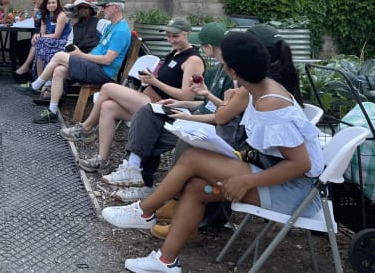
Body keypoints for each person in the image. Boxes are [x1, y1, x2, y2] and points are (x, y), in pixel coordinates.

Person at [102, 31, 322, 273]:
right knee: (197, 188)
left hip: (295, 191)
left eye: (224, 62)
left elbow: (301, 164)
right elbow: (224, 116)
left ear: (234, 72)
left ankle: (144, 211)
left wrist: (247, 180)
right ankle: (166, 261)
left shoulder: (270, 102)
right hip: (271, 172)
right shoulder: (255, 88)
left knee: (193, 158)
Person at [104, 22, 232, 204]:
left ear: (209, 47)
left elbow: (224, 113)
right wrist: (180, 103)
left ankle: (140, 178)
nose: (171, 39)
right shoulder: (216, 69)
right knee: (147, 117)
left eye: (203, 45)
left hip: (206, 127)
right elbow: (205, 102)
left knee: (147, 120)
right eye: (169, 35)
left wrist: (187, 114)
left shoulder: (221, 70)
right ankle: (137, 175)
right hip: (195, 117)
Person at [63, 16, 204, 174]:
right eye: (169, 36)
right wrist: (152, 79)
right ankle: (102, 160)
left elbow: (187, 97)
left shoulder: (193, 60)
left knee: (108, 87)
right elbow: (169, 81)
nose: (171, 39)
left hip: (165, 110)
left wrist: (155, 82)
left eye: (175, 36)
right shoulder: (175, 53)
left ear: (187, 34)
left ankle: (86, 128)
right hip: (150, 103)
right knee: (108, 106)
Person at [15, 0, 132, 125]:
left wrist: (81, 55)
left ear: (116, 8)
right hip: (93, 66)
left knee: (59, 55)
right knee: (59, 70)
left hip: (103, 73)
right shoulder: (111, 26)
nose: (102, 9)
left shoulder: (121, 30)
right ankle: (52, 111)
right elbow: (99, 50)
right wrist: (84, 57)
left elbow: (107, 60)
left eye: (105, 6)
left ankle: (35, 86)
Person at [26, 0, 71, 78]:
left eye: (53, 3)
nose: (51, 5)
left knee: (39, 43)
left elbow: (57, 35)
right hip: (51, 40)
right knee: (39, 43)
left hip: (62, 41)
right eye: (48, 3)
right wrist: (38, 36)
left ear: (57, 3)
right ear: (45, 4)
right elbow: (43, 33)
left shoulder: (61, 15)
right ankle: (39, 78)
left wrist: (39, 36)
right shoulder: (45, 15)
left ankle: (39, 79)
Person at [13, 0, 45, 80]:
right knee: (19, 44)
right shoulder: (40, 7)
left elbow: (34, 20)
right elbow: (34, 19)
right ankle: (25, 68)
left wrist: (35, 7)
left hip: (44, 36)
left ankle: (28, 69)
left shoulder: (46, 7)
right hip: (38, 34)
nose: (33, 1)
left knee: (24, 45)